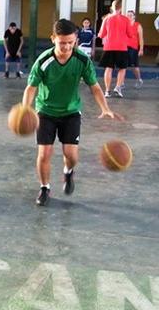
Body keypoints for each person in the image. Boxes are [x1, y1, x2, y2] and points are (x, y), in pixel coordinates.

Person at [22, 19, 119, 206]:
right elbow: (31, 88)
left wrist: (105, 108)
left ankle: (68, 172)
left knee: (71, 155)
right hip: (46, 111)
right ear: (53, 39)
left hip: (71, 112)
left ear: (75, 40)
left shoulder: (82, 60)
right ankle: (44, 187)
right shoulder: (44, 61)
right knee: (44, 154)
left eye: (70, 42)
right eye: (62, 42)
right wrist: (25, 108)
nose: (66, 47)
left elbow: (95, 87)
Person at [97, 0, 131, 98]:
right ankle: (118, 87)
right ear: (121, 8)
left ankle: (107, 91)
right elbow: (129, 34)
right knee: (122, 68)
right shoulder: (125, 19)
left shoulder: (107, 19)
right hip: (122, 47)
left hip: (109, 47)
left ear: (112, 7)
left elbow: (102, 34)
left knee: (109, 68)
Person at [126, 10, 144, 89]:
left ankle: (139, 79)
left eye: (131, 15)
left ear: (134, 16)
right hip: (124, 47)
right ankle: (121, 83)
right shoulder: (125, 25)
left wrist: (141, 49)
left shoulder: (138, 25)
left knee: (134, 66)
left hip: (133, 48)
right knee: (122, 66)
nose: (129, 16)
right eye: (128, 15)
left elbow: (141, 38)